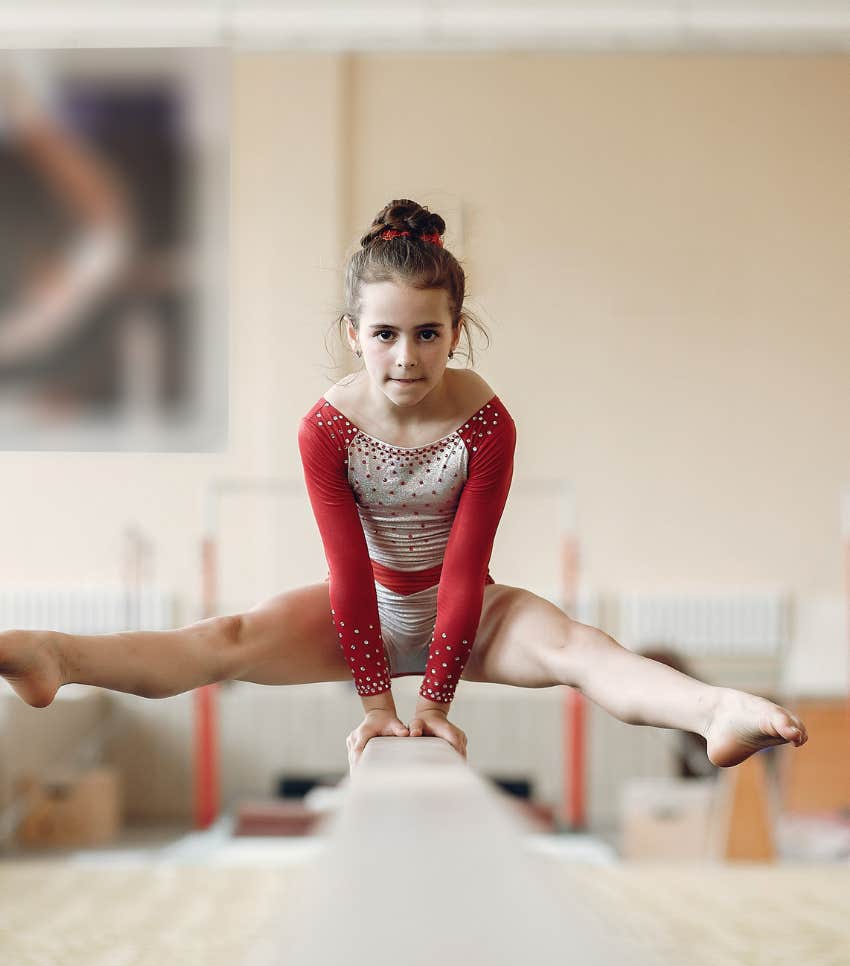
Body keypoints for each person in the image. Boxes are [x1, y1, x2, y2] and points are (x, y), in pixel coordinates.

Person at [0, 198, 808, 776]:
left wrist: (437, 702)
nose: (407, 357)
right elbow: (349, 577)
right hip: (363, 607)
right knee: (227, 637)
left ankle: (713, 712)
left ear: (457, 330)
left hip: (474, 613)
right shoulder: (327, 427)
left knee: (576, 646)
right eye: (384, 335)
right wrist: (379, 708)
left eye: (428, 334)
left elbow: (464, 571)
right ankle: (56, 654)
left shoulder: (487, 422)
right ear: (353, 334)